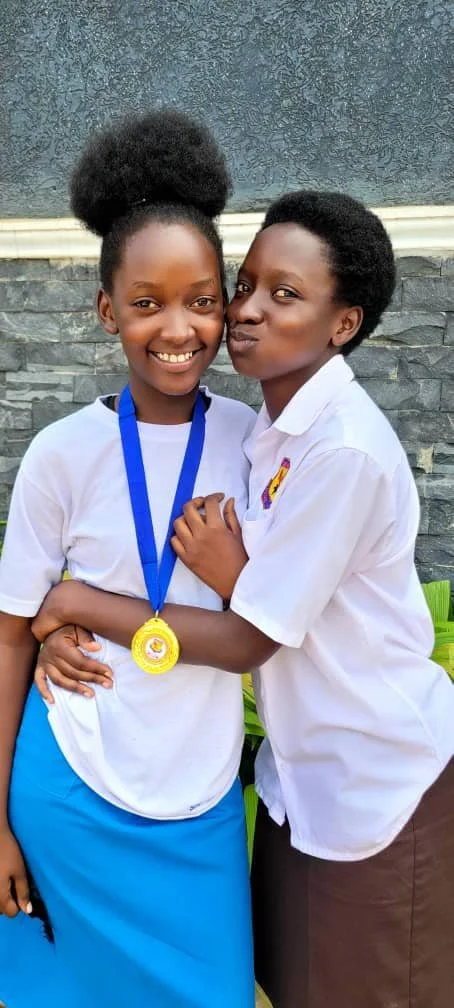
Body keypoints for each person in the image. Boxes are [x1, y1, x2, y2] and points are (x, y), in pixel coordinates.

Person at [35, 189, 454, 1008]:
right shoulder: (264, 429)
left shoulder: (341, 452)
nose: (247, 311)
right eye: (246, 285)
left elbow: (249, 637)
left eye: (285, 294)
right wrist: (69, 621)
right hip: (300, 783)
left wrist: (79, 602)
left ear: (343, 324)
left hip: (375, 780)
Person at [0, 108, 257, 1008]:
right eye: (146, 304)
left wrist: (75, 606)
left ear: (225, 305)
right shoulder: (62, 453)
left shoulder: (257, 444)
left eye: (201, 300)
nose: (177, 327)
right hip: (67, 796)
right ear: (108, 310)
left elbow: (275, 617)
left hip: (199, 803)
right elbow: (9, 635)